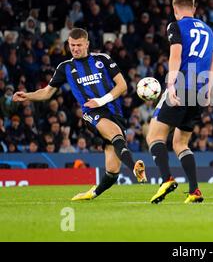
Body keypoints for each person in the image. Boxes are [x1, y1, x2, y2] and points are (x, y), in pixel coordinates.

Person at [13, 28, 146, 200]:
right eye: (72, 45)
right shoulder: (65, 67)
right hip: (91, 112)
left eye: (79, 45)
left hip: (113, 111)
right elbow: (47, 92)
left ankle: (92, 193)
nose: (75, 48)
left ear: (87, 44)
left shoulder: (102, 59)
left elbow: (122, 86)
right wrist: (27, 96)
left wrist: (101, 100)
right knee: (115, 133)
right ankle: (135, 167)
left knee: (112, 171)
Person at [146, 0, 213, 204]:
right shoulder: (209, 30)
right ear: (194, 9)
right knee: (180, 143)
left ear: (175, 9)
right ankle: (195, 190)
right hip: (200, 90)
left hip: (182, 84)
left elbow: (175, 55)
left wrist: (171, 84)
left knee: (154, 136)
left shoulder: (175, 25)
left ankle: (166, 179)